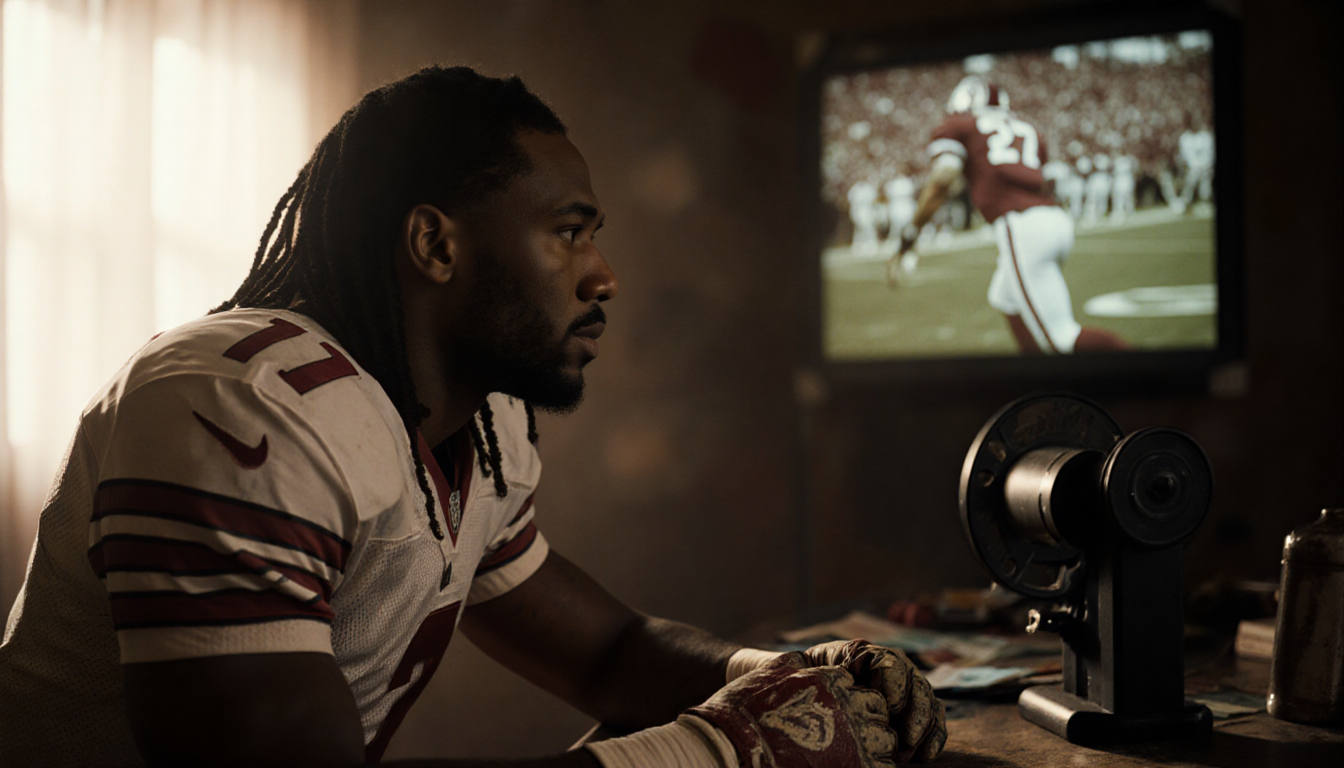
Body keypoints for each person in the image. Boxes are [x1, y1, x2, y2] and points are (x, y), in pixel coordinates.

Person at [0, 67, 946, 768]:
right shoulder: (241, 404)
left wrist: (787, 673)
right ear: (434, 243)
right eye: (568, 231)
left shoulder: (470, 424)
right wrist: (720, 751)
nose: (604, 274)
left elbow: (612, 655)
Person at [890, 75, 1128, 354]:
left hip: (1022, 225)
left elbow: (944, 176)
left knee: (1058, 339)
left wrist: (911, 232)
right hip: (1054, 220)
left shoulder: (959, 125)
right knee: (1004, 298)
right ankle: (1038, 385)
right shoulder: (1027, 128)